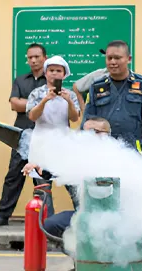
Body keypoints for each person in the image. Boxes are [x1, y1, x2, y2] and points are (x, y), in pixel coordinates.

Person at [81, 40, 142, 265]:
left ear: (128, 59)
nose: (112, 62)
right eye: (109, 58)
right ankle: (105, 249)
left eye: (117, 58)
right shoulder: (97, 87)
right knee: (105, 204)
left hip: (135, 156)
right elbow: (87, 121)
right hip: (104, 156)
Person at [22, 117, 112, 271]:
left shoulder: (117, 157)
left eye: (94, 132)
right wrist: (36, 167)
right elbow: (55, 171)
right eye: (85, 132)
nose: (88, 137)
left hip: (111, 219)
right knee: (52, 224)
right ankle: (81, 262)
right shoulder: (77, 158)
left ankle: (108, 264)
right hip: (83, 215)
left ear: (107, 134)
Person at [0, 43, 50, 227]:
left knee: (42, 177)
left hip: (43, 135)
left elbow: (50, 106)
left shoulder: (52, 80)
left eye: (37, 57)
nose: (33, 60)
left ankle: (45, 217)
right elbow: (14, 103)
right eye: (30, 57)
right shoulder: (20, 80)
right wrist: (39, 103)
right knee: (14, 175)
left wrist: (28, 103)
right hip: (21, 134)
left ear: (44, 58)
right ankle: (2, 215)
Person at [26, 55, 81, 209]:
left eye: (58, 70)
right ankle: (45, 226)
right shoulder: (36, 93)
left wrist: (69, 101)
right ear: (45, 73)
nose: (54, 73)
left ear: (64, 74)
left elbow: (75, 117)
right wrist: (44, 100)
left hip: (63, 144)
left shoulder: (69, 95)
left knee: (73, 185)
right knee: (43, 189)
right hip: (41, 145)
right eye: (51, 70)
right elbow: (32, 116)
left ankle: (79, 221)